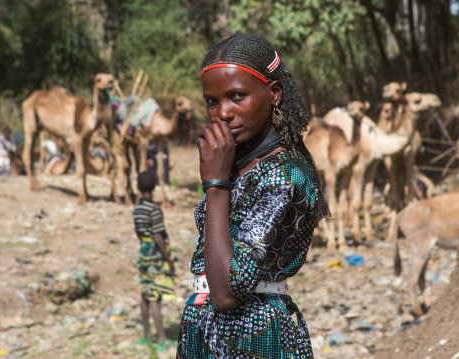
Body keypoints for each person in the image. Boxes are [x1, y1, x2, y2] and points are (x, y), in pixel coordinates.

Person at [177, 34, 330, 358]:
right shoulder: (240, 165)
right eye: (211, 101)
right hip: (206, 332)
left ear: (274, 93)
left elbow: (228, 293)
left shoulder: (286, 175)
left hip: (254, 335)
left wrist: (216, 184)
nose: (222, 113)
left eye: (237, 96)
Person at [133, 171, 176, 347]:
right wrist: (169, 260)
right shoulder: (154, 209)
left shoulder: (137, 208)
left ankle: (146, 334)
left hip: (143, 251)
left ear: (138, 187)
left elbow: (138, 231)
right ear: (154, 187)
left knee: (145, 292)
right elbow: (158, 237)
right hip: (155, 255)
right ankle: (161, 337)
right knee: (156, 295)